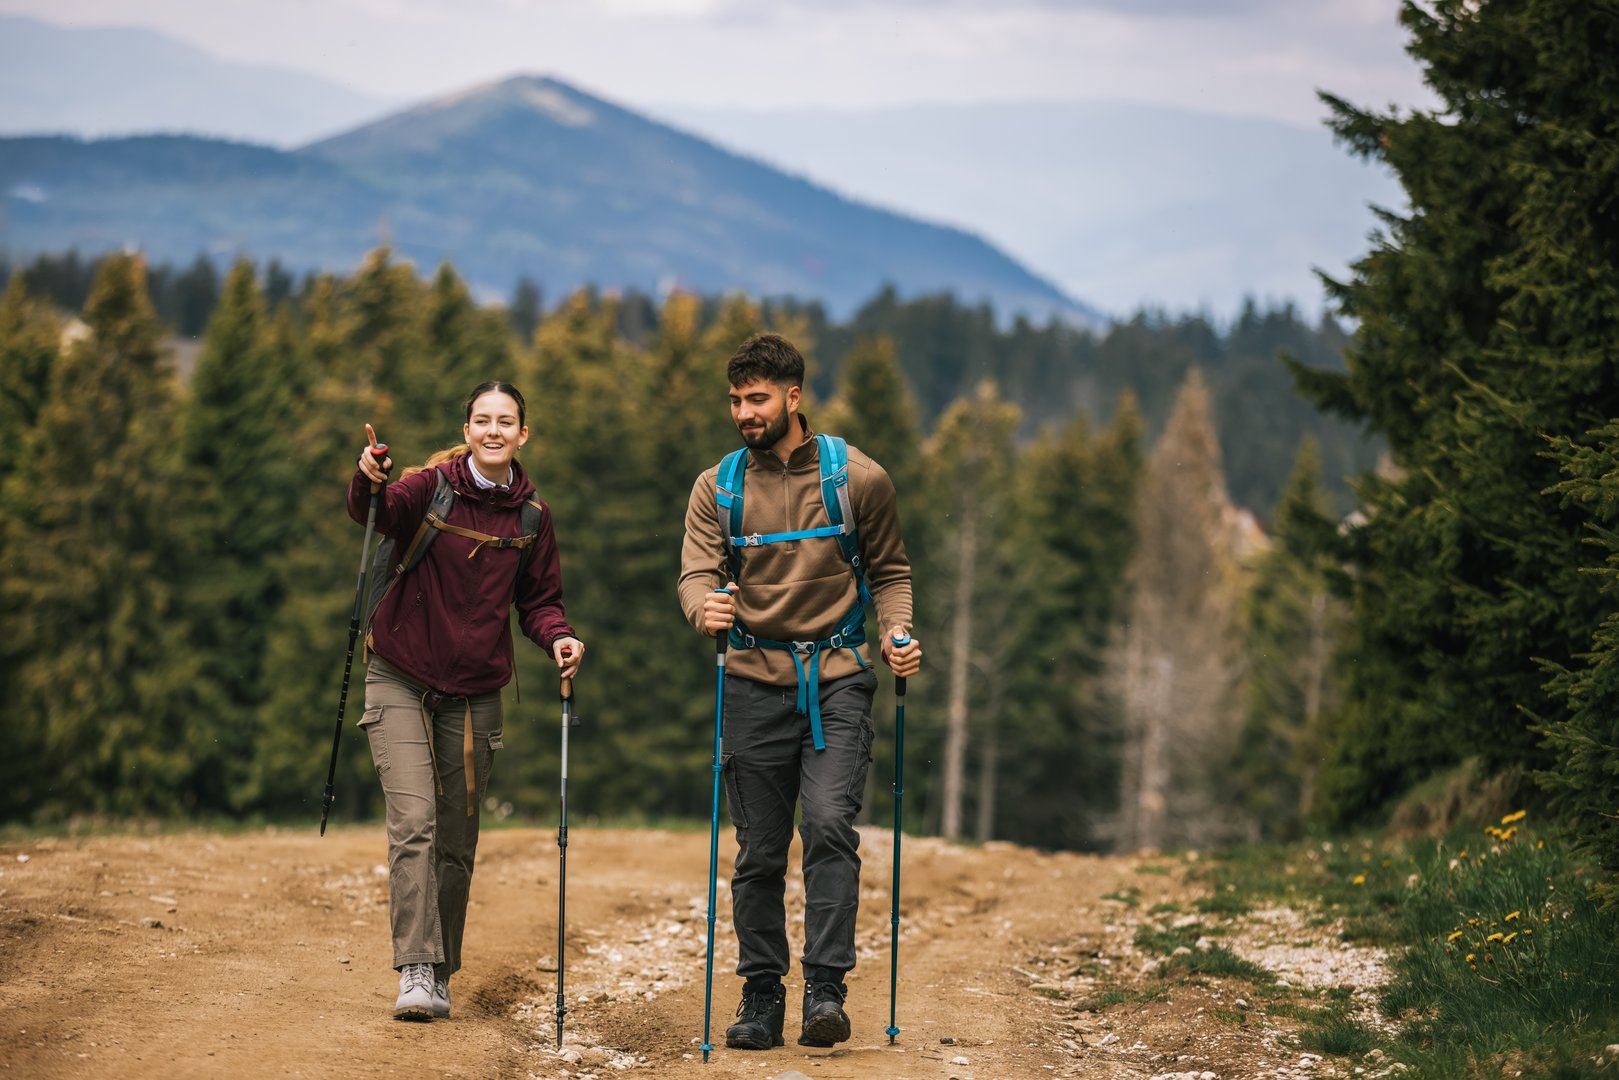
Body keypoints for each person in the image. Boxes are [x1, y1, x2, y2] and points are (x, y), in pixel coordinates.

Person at [678, 333, 922, 1050]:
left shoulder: (859, 479)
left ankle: (825, 990)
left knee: (826, 827)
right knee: (757, 851)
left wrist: (897, 633)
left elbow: (892, 572)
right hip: (752, 682)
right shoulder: (716, 486)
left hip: (839, 679)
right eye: (734, 400)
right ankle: (761, 997)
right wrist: (704, 609)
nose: (743, 413)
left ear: (793, 396)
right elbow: (696, 573)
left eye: (756, 399)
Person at [350, 380, 584, 1022]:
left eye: (505, 422)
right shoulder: (429, 488)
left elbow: (540, 602)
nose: (493, 431)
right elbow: (377, 510)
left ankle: (442, 966)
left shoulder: (532, 516)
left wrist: (559, 639)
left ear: (522, 435)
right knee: (416, 821)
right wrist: (369, 477)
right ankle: (416, 969)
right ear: (468, 427)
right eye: (482, 419)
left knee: (458, 836)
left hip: (476, 690)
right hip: (399, 672)